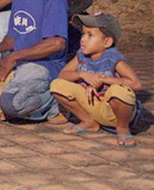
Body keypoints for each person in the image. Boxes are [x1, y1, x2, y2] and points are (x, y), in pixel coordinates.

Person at [50, 13, 142, 147]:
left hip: (112, 110)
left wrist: (104, 80)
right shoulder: (81, 55)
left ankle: (122, 128)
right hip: (93, 105)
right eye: (83, 34)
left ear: (107, 42)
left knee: (120, 92)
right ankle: (88, 122)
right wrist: (82, 74)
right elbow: (63, 74)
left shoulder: (113, 58)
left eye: (90, 35)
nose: (83, 39)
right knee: (57, 85)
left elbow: (136, 84)